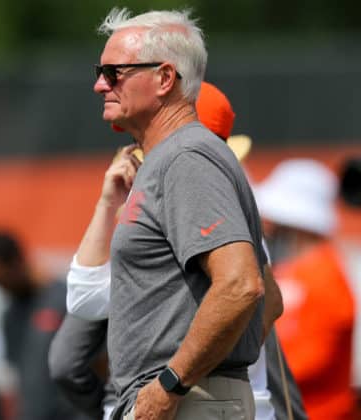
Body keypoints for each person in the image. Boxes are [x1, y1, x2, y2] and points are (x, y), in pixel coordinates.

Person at [53, 81, 307, 420]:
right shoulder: (235, 213)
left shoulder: (155, 219)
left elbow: (72, 341)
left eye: (140, 141)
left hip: (169, 405)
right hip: (242, 403)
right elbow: (267, 302)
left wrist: (172, 381)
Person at [88, 8, 283, 420]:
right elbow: (263, 293)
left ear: (164, 78)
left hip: (187, 403)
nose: (99, 84)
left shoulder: (187, 157)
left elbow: (242, 285)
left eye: (114, 72)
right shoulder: (172, 158)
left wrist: (171, 385)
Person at [254, 159, 360, 420]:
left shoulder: (327, 276)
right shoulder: (291, 270)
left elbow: (314, 357)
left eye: (276, 222)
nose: (269, 229)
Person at [0, 230, 80, 420]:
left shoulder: (65, 301)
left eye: (3, 280)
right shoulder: (9, 315)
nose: (1, 289)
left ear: (17, 262)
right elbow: (14, 379)